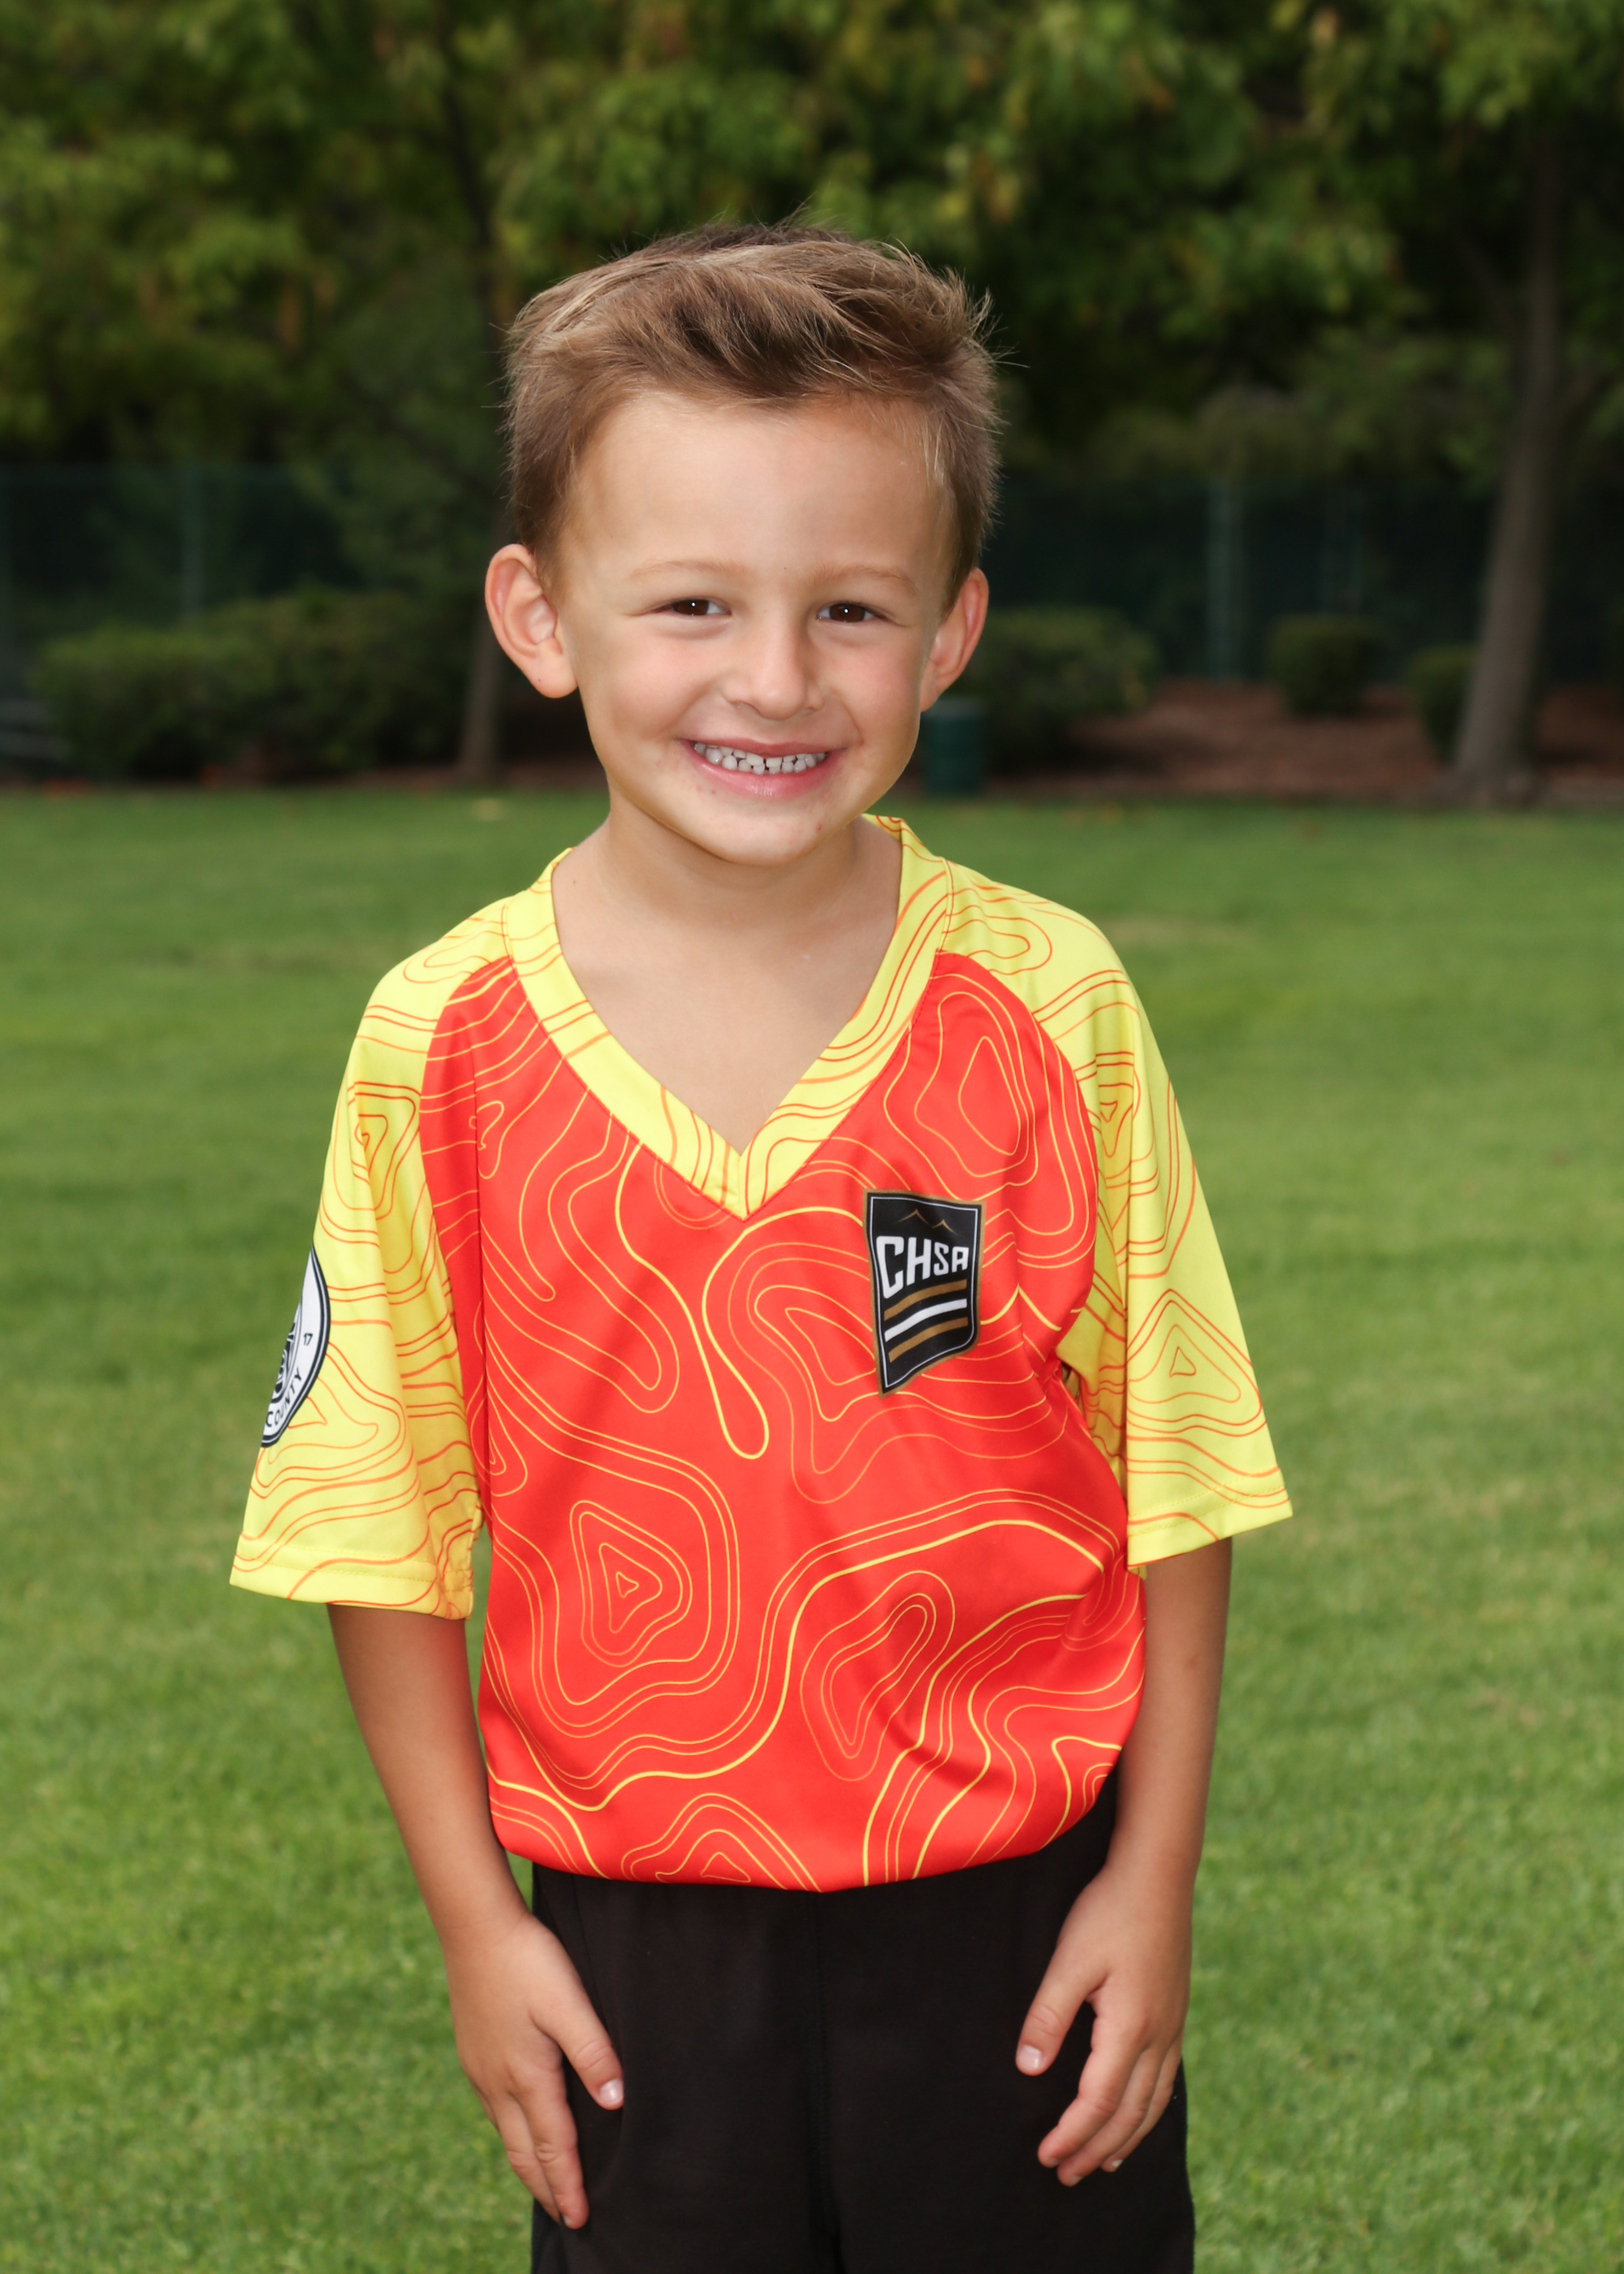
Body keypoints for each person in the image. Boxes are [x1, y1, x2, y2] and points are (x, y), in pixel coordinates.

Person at [232, 223, 1291, 2274]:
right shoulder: (441, 1041)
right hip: (633, 1961)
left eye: (852, 607)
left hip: (1013, 1929)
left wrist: (1148, 1879)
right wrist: (476, 1924)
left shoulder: (1049, 1002)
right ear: (540, 617)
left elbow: (1177, 1469)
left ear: (950, 632)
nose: (778, 678)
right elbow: (373, 1518)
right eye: (693, 601)